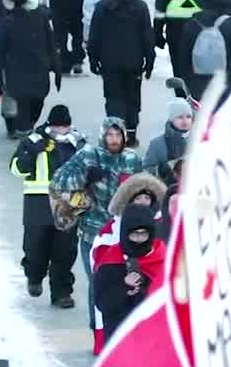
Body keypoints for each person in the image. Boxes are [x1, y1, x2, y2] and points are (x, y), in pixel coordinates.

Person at [49, 115, 143, 344]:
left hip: (124, 234)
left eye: (117, 134)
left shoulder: (132, 160)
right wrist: (83, 181)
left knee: (128, 283)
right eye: (109, 135)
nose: (113, 139)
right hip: (93, 233)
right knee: (99, 284)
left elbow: (144, 189)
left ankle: (122, 333)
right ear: (103, 136)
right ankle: (99, 334)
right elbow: (59, 182)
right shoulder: (89, 155)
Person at [11, 104, 79, 307]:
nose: (61, 131)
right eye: (57, 127)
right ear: (50, 124)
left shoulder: (78, 143)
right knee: (35, 246)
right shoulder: (33, 141)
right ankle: (34, 275)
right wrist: (29, 155)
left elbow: (87, 169)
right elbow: (15, 169)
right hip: (38, 200)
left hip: (67, 200)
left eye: (64, 127)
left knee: (65, 251)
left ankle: (61, 293)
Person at [88, 0, 155, 145]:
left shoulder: (102, 7)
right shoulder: (140, 7)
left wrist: (93, 59)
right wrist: (150, 62)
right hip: (134, 63)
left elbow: (94, 36)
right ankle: (131, 134)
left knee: (113, 98)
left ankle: (115, 134)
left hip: (109, 63)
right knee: (133, 98)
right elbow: (148, 37)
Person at [91, 202, 165, 337]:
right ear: (125, 233)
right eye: (134, 234)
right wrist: (124, 286)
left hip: (154, 336)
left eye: (143, 234)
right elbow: (102, 303)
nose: (138, 239)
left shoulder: (162, 259)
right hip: (119, 335)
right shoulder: (110, 260)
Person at [0, 0, 52, 137]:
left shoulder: (41, 17)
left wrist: (56, 65)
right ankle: (23, 131)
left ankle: (26, 127)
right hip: (16, 71)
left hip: (39, 69)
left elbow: (50, 42)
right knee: (22, 104)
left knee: (37, 102)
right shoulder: (7, 21)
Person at [152, 0, 205, 82]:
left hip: (175, 33)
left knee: (179, 69)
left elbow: (159, 13)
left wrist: (157, 35)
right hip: (199, 32)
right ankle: (196, 97)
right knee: (197, 70)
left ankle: (182, 98)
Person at [141, 96, 193, 187]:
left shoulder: (199, 140)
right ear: (171, 119)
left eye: (188, 117)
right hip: (166, 192)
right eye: (180, 117)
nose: (185, 121)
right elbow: (146, 171)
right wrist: (161, 170)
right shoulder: (157, 144)